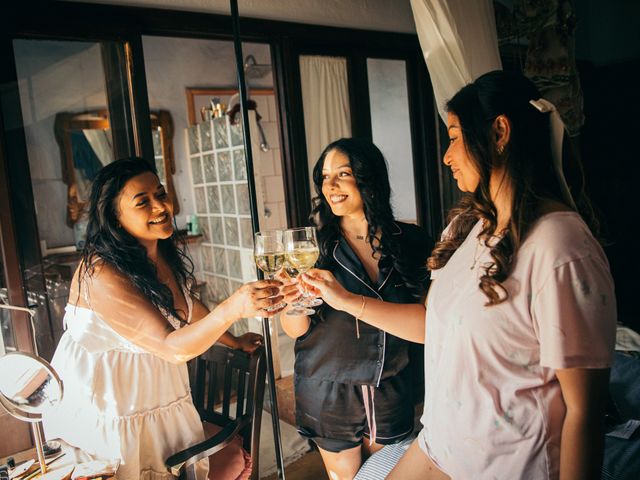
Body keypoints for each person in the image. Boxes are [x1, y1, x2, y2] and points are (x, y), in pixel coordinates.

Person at [302, 71, 617, 480]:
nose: (447, 156)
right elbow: (431, 323)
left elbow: (584, 411)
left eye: (453, 137)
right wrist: (342, 299)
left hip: (506, 464)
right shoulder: (464, 229)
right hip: (439, 443)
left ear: (499, 132)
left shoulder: (560, 246)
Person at [42, 158, 283, 479]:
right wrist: (234, 307)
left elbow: (186, 304)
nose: (160, 206)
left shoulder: (157, 252)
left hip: (157, 399)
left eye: (161, 193)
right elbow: (171, 348)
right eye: (143, 202)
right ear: (115, 217)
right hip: (113, 410)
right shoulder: (101, 273)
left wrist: (234, 340)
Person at [279, 138, 433, 480]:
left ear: (369, 178)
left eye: (343, 174)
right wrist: (292, 304)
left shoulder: (410, 240)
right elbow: (296, 330)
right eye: (325, 176)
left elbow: (429, 318)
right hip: (329, 388)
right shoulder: (313, 247)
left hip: (391, 383)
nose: (330, 186)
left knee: (386, 473)